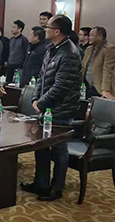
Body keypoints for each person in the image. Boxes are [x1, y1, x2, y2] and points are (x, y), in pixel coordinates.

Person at [21, 14, 82, 202]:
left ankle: (56, 188)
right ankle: (40, 183)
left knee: (59, 150)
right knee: (41, 147)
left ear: (57, 31)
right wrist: (36, 98)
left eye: (48, 26)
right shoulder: (52, 48)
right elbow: (42, 76)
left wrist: (41, 103)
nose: (44, 29)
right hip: (47, 107)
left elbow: (61, 86)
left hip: (61, 109)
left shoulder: (70, 53)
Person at [81, 27, 115, 99]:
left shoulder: (109, 49)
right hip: (86, 86)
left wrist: (105, 89)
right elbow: (83, 67)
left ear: (100, 37)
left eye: (92, 35)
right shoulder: (88, 49)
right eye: (89, 35)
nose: (89, 37)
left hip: (99, 88)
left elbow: (108, 70)